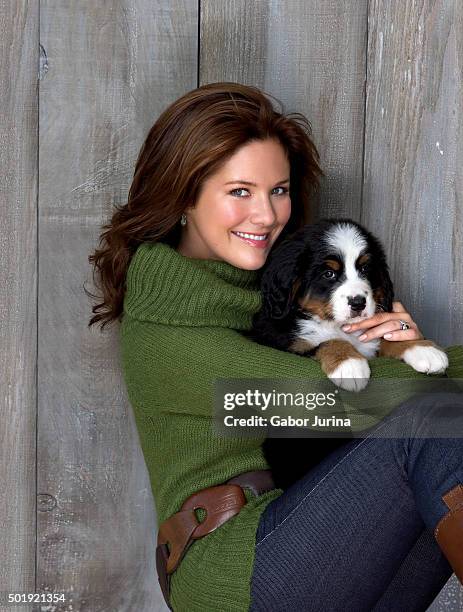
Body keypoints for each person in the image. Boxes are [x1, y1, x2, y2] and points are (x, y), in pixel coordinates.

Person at [87, 82, 463, 612]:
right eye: (239, 191)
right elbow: (336, 405)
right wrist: (424, 369)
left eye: (278, 190)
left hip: (327, 533)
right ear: (183, 198)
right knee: (432, 422)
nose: (266, 215)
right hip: (232, 567)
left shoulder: (291, 286)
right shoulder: (165, 334)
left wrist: (402, 347)